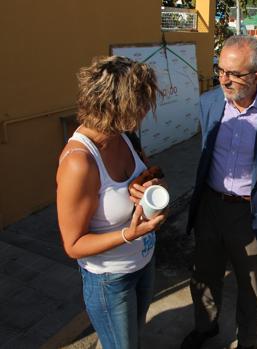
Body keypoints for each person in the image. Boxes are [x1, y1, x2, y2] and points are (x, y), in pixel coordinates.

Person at [181, 35, 257, 349]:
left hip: (250, 212)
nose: (224, 79)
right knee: (204, 274)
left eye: (234, 74)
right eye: (220, 70)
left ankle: (247, 339)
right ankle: (205, 327)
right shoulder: (209, 103)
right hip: (210, 204)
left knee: (250, 284)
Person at [56, 56, 167, 349]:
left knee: (131, 340)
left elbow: (146, 171)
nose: (146, 110)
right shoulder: (79, 162)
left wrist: (149, 183)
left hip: (143, 262)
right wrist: (129, 234)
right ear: (118, 106)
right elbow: (73, 244)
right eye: (142, 103)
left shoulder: (124, 135)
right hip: (110, 280)